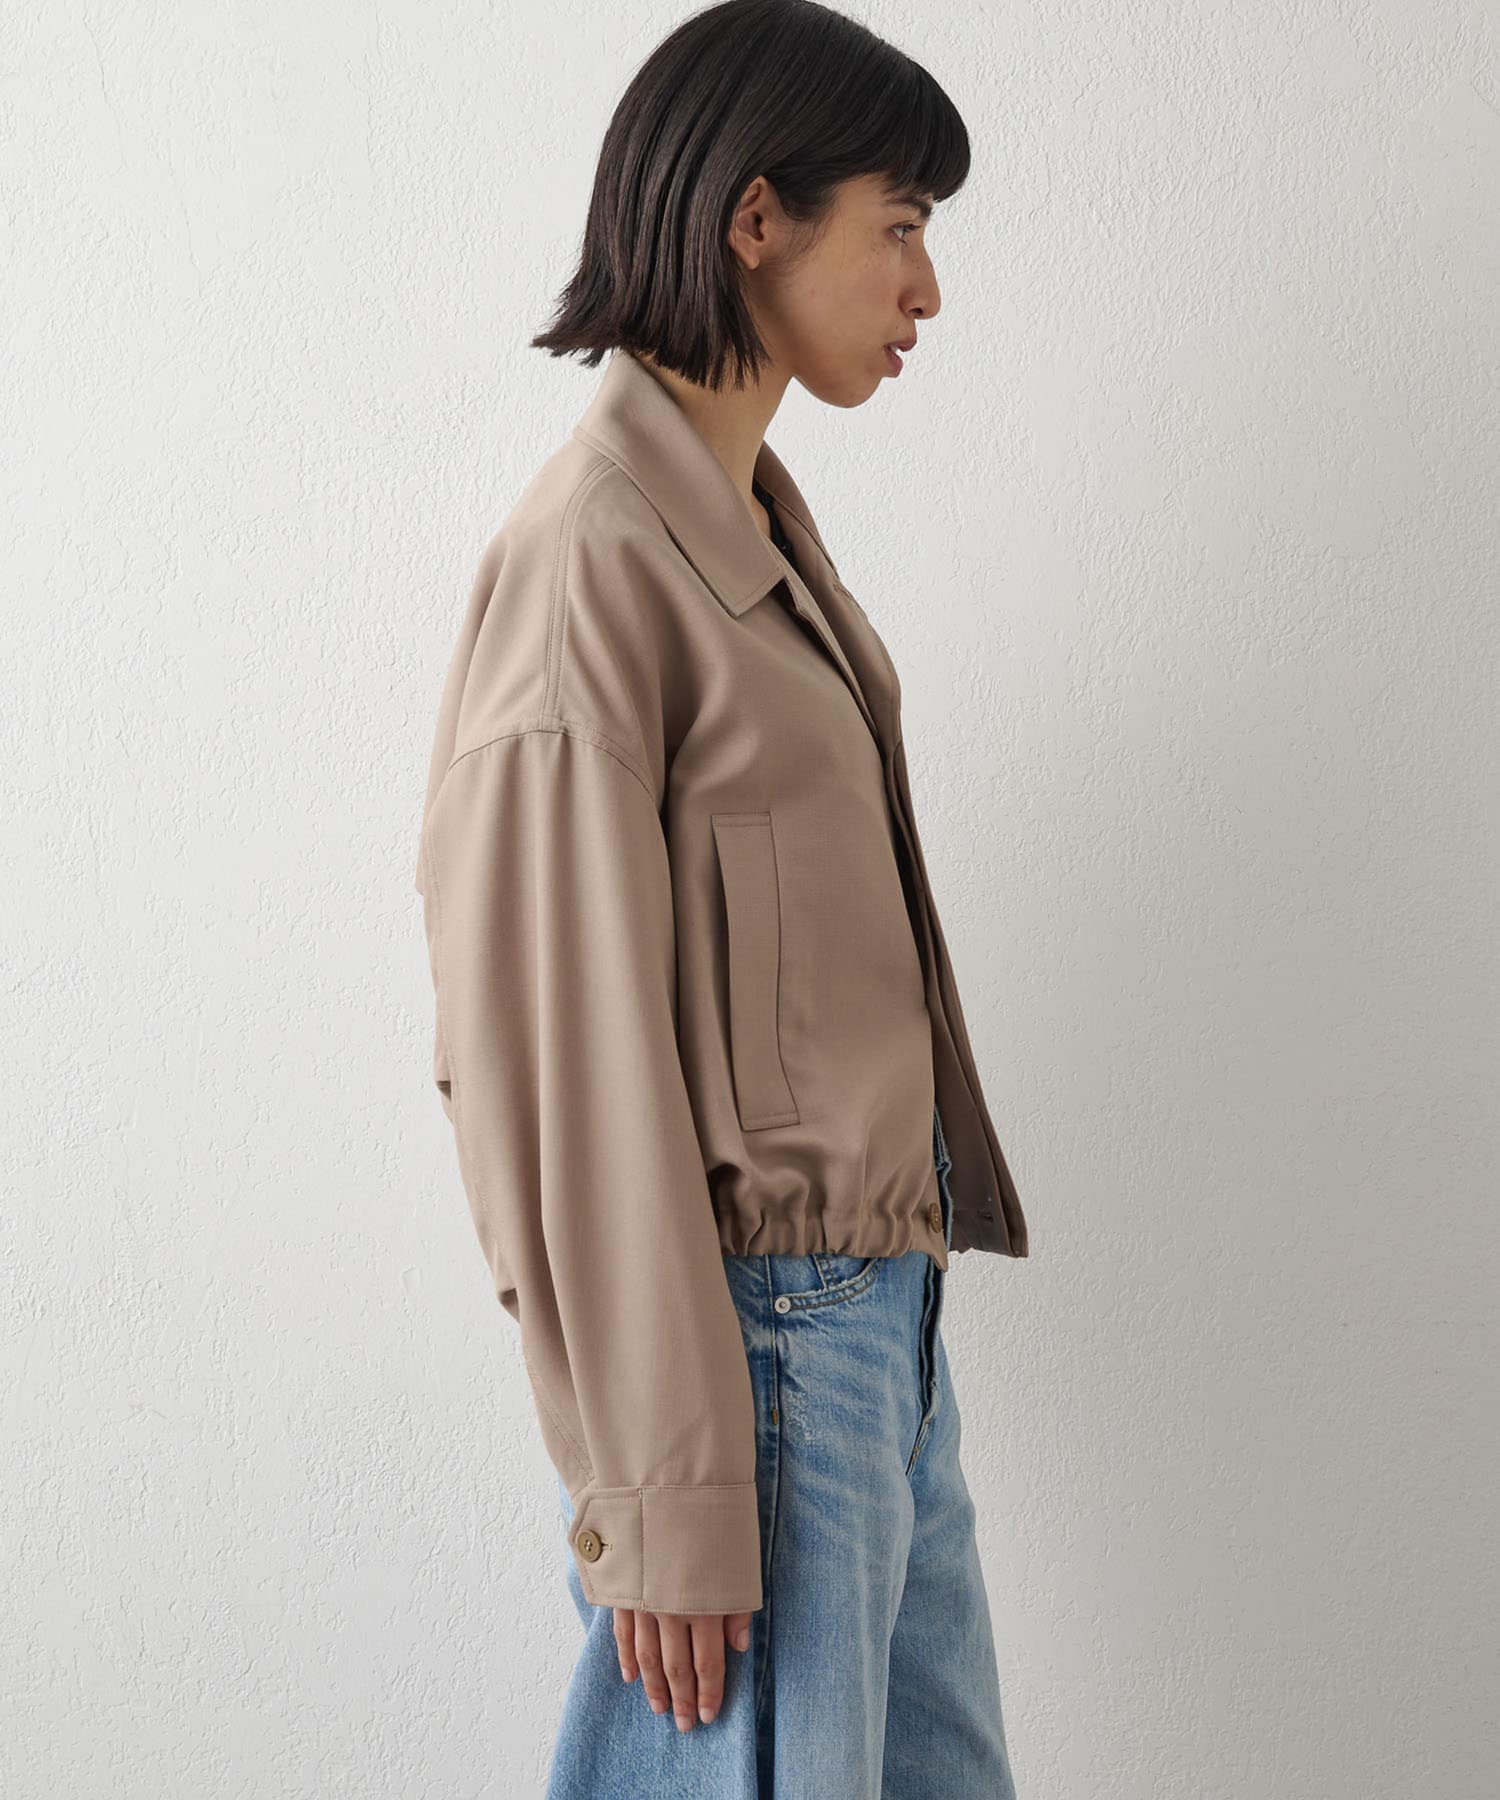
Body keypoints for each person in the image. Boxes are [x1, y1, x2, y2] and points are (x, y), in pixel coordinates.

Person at [414, 3, 1029, 1793]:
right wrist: (663, 1484)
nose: (926, 289)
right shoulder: (595, 559)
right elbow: (552, 1063)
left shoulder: (750, 532)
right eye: (899, 225)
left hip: (874, 1341)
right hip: (757, 1366)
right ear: (756, 217)